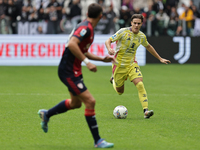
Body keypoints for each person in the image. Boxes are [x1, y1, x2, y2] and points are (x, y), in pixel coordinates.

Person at [38, 3, 115, 148]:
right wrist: (87, 62)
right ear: (101, 16)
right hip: (68, 71)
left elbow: (82, 50)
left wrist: (101, 59)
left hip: (74, 71)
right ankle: (98, 141)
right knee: (90, 101)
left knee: (75, 103)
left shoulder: (86, 27)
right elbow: (72, 44)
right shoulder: (85, 28)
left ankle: (46, 114)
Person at [105, 14, 171, 119]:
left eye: (138, 23)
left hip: (132, 64)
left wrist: (160, 58)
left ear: (141, 24)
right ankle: (113, 79)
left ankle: (146, 111)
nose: (136, 25)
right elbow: (108, 40)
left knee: (140, 84)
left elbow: (148, 46)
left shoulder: (141, 36)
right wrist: (109, 48)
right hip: (119, 65)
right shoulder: (123, 32)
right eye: (134, 23)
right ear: (131, 23)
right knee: (120, 92)